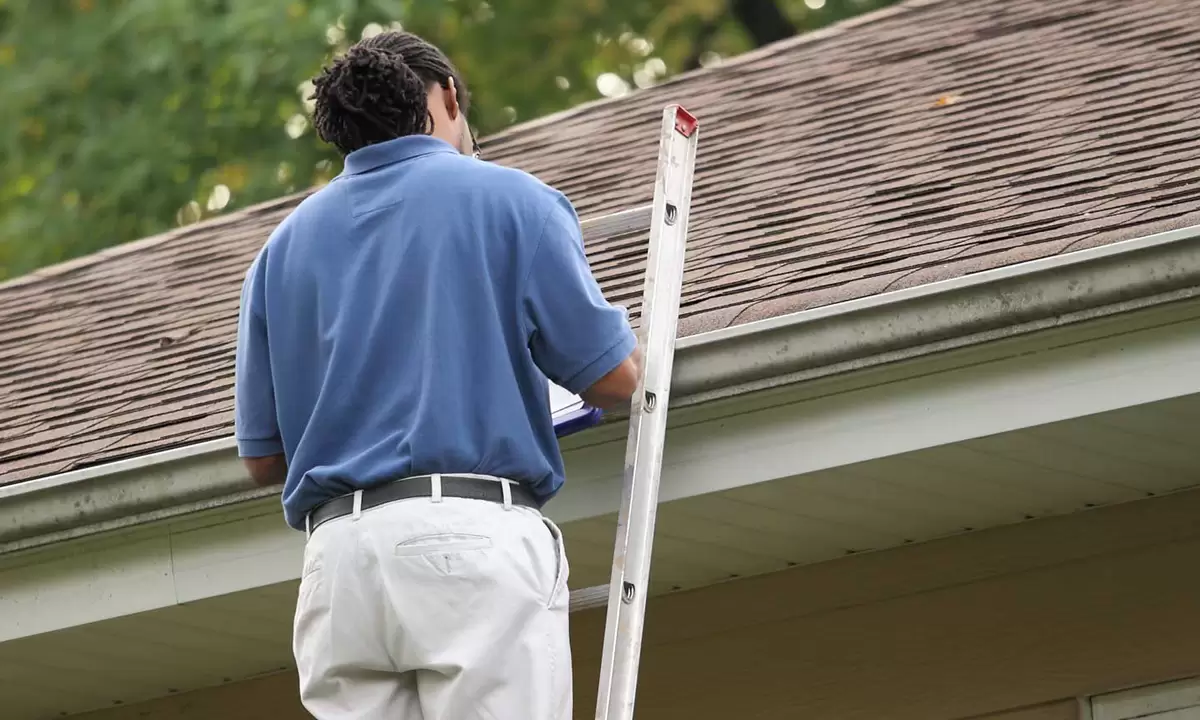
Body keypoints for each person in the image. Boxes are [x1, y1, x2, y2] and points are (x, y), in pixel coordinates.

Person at [232, 30, 640, 720]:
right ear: (447, 97)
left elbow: (264, 460)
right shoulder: (513, 201)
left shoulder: (280, 252)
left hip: (337, 566)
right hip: (469, 539)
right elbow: (617, 382)